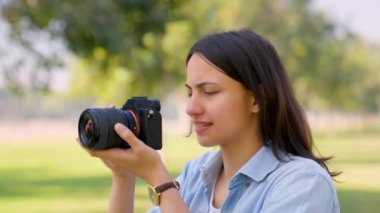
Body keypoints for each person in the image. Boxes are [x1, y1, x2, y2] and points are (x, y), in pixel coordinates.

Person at [83, 29, 340, 212]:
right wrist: (123, 175)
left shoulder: (302, 184)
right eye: (189, 92)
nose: (191, 108)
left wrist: (158, 178)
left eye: (210, 92)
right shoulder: (197, 175)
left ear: (257, 99)